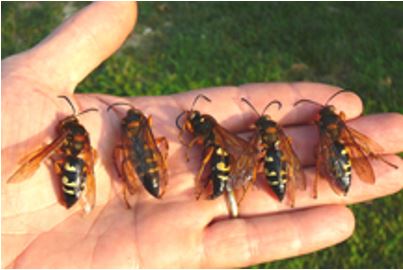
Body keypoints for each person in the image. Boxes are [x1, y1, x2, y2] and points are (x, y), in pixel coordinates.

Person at [2, 2, 402, 268]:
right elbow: (132, 155)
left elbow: (147, 153)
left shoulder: (216, 144)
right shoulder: (134, 145)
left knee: (244, 163)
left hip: (169, 174)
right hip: (138, 178)